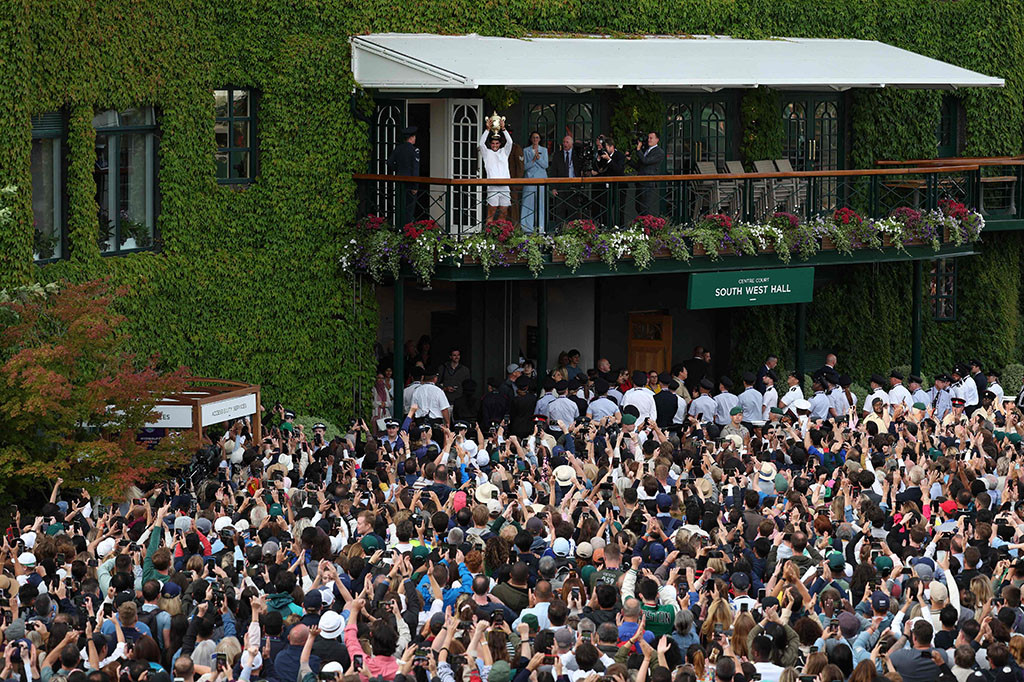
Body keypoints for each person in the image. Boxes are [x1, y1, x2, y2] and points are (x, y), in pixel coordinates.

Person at [478, 123, 514, 222]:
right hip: (493, 186)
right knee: (491, 213)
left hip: (505, 186)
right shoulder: (487, 153)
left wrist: (504, 129)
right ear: (490, 144)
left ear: (500, 144)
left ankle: (500, 231)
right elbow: (481, 144)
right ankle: (489, 231)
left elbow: (510, 142)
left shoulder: (504, 152)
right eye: (493, 143)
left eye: (497, 143)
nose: (495, 145)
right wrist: (487, 130)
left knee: (504, 213)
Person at [387, 125, 420, 226]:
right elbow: (415, 168)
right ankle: (406, 228)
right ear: (411, 137)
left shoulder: (398, 149)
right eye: (414, 137)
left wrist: (398, 170)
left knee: (399, 205)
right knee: (409, 208)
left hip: (399, 180)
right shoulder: (414, 150)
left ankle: (398, 226)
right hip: (410, 182)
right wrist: (415, 186)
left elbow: (389, 163)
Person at [627, 131, 665, 216]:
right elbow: (639, 167)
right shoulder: (646, 150)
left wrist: (638, 150)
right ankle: (641, 223)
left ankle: (647, 223)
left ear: (657, 140)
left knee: (645, 207)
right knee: (637, 207)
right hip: (640, 182)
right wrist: (630, 160)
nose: (649, 140)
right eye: (648, 138)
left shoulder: (659, 152)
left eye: (651, 138)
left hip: (648, 183)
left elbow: (646, 161)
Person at [591, 136, 625, 226]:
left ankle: (620, 227)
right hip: (606, 186)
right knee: (605, 207)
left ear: (611, 147)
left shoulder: (620, 156)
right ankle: (607, 226)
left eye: (606, 147)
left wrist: (609, 160)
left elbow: (619, 170)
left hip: (619, 187)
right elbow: (598, 169)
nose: (604, 150)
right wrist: (599, 158)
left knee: (619, 209)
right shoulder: (604, 156)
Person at [549, 134, 583, 225]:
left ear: (571, 144)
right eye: (564, 142)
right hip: (561, 186)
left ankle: (573, 229)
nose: (565, 144)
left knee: (573, 211)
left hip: (573, 186)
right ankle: (559, 230)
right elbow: (553, 171)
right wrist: (553, 187)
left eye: (567, 142)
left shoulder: (577, 155)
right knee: (560, 211)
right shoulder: (557, 155)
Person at [521, 131, 549, 232]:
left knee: (541, 204)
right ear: (531, 139)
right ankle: (526, 228)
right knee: (527, 203)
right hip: (529, 179)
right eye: (533, 137)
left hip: (541, 179)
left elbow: (545, 165)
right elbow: (524, 167)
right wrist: (533, 160)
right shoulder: (526, 150)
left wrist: (539, 159)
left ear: (540, 139)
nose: (535, 139)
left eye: (537, 137)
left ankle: (541, 228)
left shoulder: (544, 150)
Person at [506, 123, 525, 224]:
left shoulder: (516, 148)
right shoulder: (500, 148)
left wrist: (517, 182)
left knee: (513, 205)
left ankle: (514, 226)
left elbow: (520, 167)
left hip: (513, 181)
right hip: (503, 180)